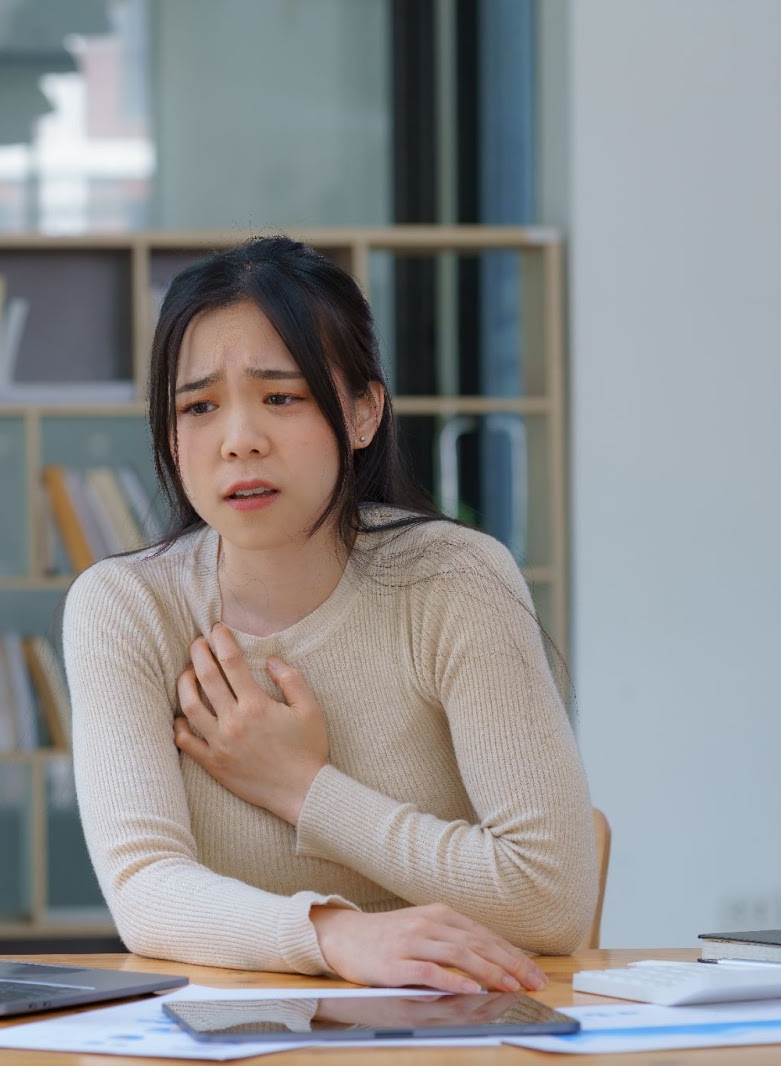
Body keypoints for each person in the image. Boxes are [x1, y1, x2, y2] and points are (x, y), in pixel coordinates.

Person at [62, 235, 597, 996]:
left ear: (362, 412)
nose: (240, 439)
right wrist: (337, 936)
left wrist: (303, 789)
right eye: (199, 406)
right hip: (233, 1041)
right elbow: (144, 889)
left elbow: (551, 900)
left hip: (456, 1031)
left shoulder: (457, 580)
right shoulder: (125, 607)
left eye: (281, 397)